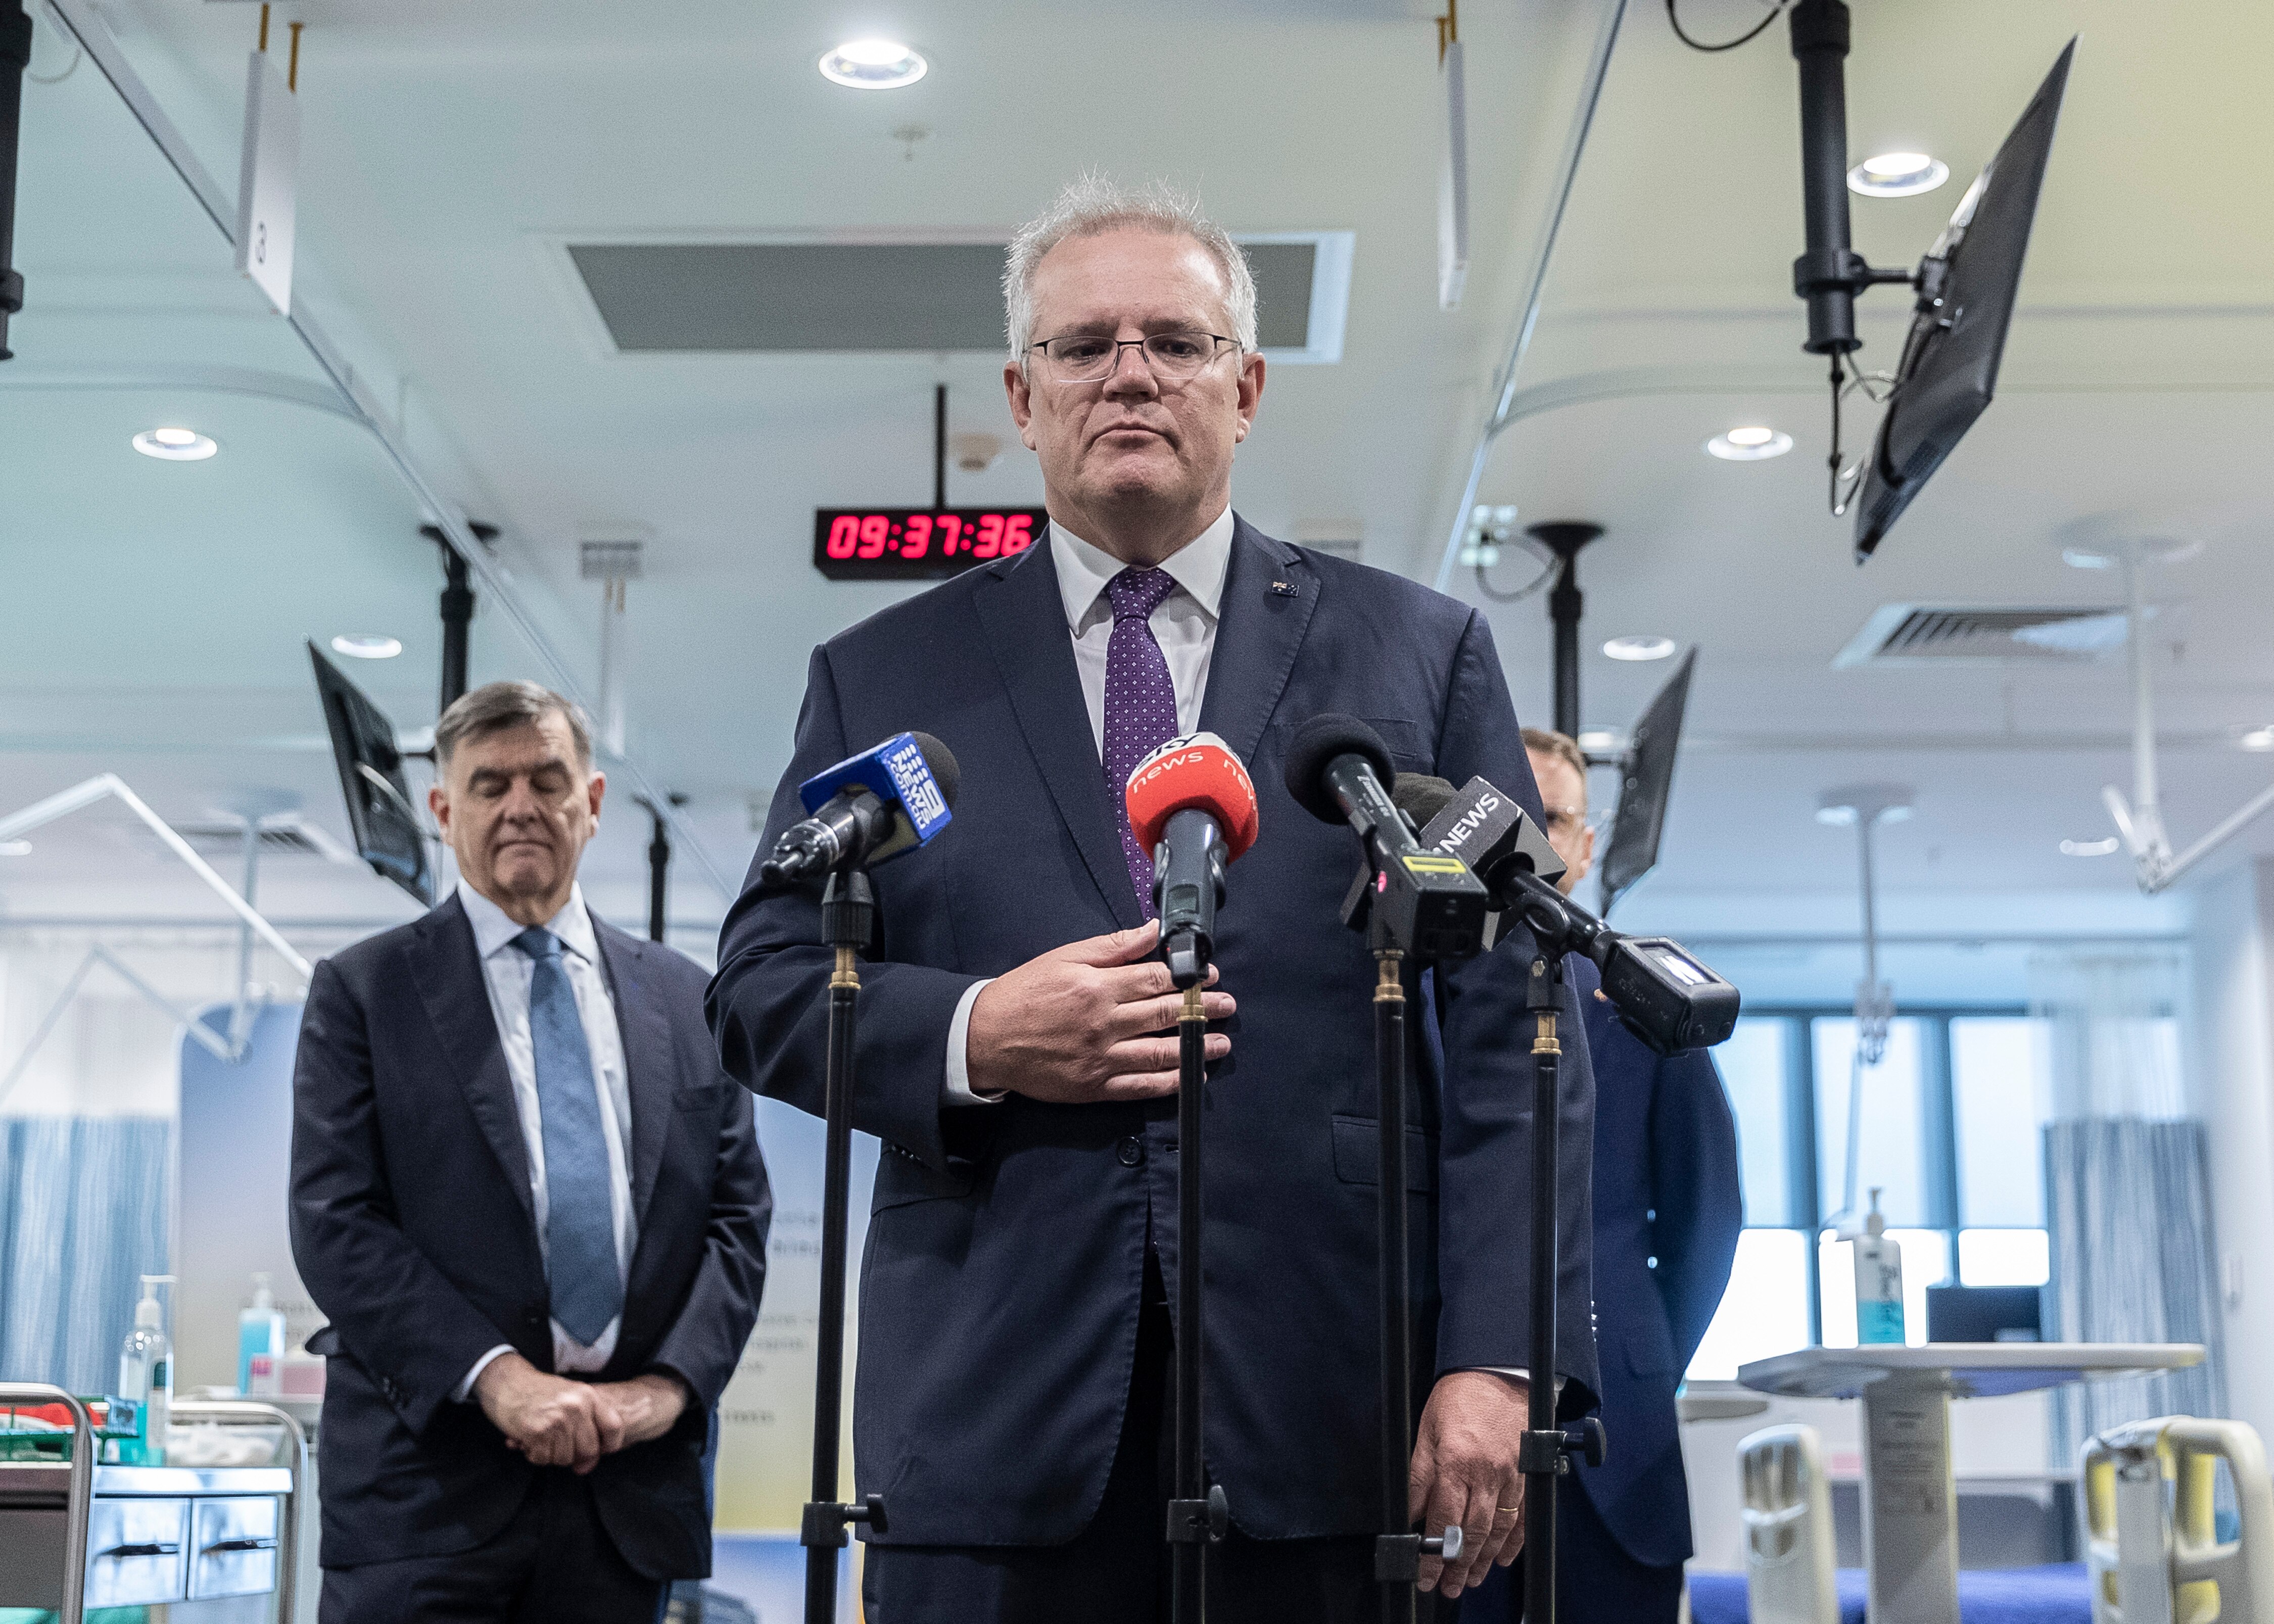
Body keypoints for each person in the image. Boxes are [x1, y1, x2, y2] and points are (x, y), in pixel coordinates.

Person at [708, 176, 1597, 1624]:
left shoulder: (1414, 655)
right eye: (1083, 344)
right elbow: (757, 981)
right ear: (1023, 391)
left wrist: (1496, 1359)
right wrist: (981, 1030)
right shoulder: (886, 676)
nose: (1128, 370)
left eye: (1173, 342)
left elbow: (1514, 1025)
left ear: (1244, 388)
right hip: (992, 1415)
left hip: (1335, 1405)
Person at [291, 682, 772, 1622]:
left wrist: (665, 1391)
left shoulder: (688, 1001)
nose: (520, 805)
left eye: (547, 780)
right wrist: (500, 1379)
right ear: (443, 811)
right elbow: (335, 1221)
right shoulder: (364, 993)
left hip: (626, 1497)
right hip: (425, 1493)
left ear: (591, 803)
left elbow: (736, 1222)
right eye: (489, 784)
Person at [1464, 728, 1742, 1622]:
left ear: (1586, 848)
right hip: (1464, 1430)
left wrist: (1643, 1350)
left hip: (1621, 1427)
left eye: (1557, 821)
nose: (1538, 845)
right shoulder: (1431, 995)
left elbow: (1706, 1222)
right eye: (1519, 819)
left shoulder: (1647, 1000)